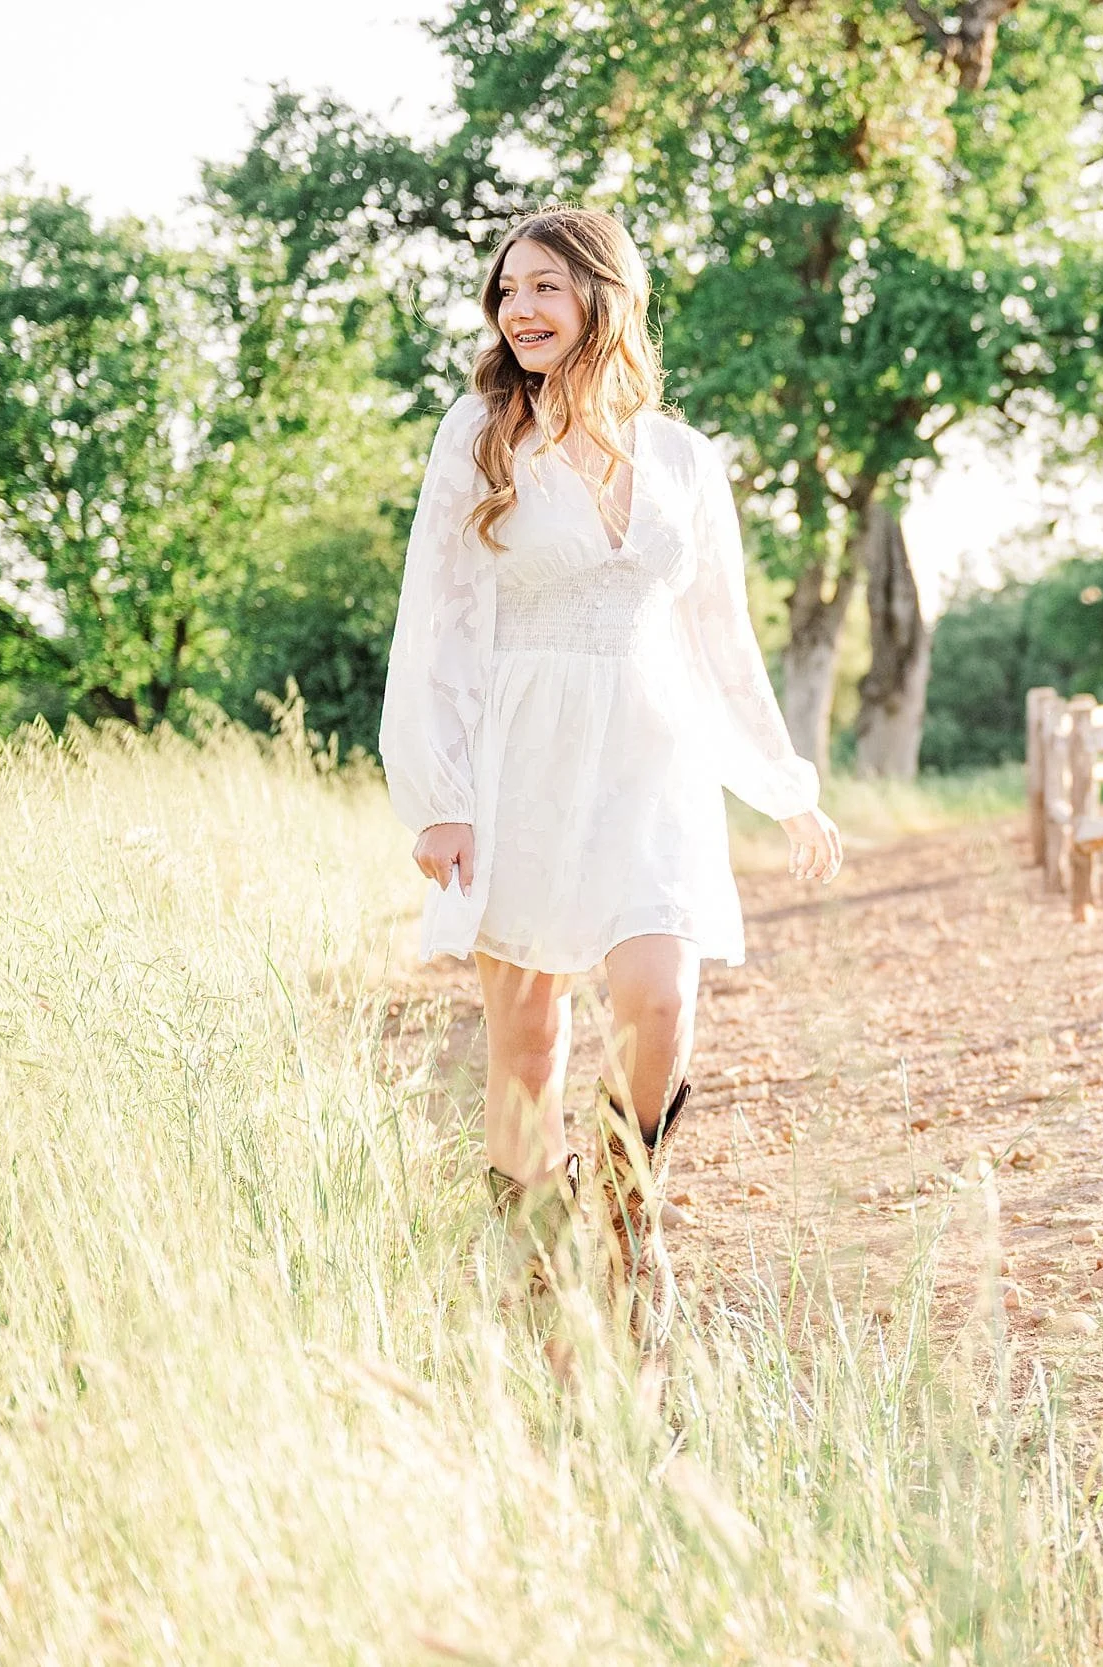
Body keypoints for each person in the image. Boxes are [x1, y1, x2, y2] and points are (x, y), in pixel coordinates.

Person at [379, 206, 840, 1328]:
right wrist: (439, 798)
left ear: (605, 296)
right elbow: (432, 624)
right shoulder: (479, 433)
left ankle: (631, 1210)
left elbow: (720, 636)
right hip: (519, 755)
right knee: (528, 1033)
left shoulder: (685, 456)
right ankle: (541, 1266)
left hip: (651, 754)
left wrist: (783, 783)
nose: (518, 310)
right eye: (506, 291)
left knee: (658, 996)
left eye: (545, 286)